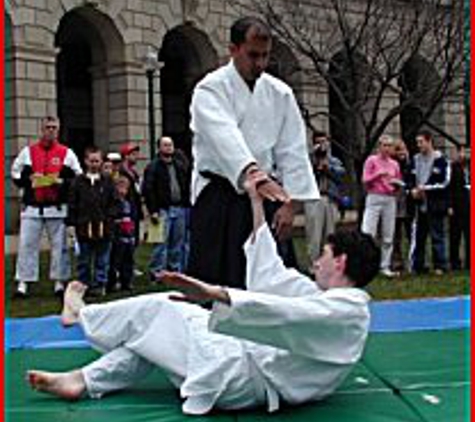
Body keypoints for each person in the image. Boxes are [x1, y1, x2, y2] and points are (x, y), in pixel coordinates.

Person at [27, 170, 380, 415]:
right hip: (240, 365)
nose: (316, 262)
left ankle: (83, 314)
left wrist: (212, 292)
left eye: (324, 255)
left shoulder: (347, 312)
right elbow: (269, 272)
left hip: (239, 379)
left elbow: (282, 311)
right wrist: (256, 203)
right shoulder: (323, 297)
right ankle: (82, 380)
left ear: (341, 262)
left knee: (164, 307)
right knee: (153, 335)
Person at [188, 16, 319, 289]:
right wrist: (251, 172)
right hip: (220, 195)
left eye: (265, 56)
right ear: (233, 49)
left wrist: (290, 203)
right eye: (253, 55)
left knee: (270, 283)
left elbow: (293, 149)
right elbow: (223, 135)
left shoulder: (279, 92)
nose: (260, 64)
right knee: (215, 284)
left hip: (267, 195)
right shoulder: (210, 88)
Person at [11, 116, 82, 297]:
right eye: (47, 127)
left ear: (58, 130)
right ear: (41, 130)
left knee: (59, 246)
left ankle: (59, 281)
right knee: (27, 244)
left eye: (54, 128)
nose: (51, 131)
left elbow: (78, 177)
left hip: (56, 207)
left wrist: (62, 182)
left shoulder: (67, 153)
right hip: (32, 207)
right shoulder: (28, 152)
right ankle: (23, 282)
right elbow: (15, 172)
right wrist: (28, 180)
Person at [66, 147, 120, 297]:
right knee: (84, 259)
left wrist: (109, 217)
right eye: (91, 161)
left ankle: (99, 284)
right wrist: (71, 223)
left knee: (102, 259)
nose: (94, 164)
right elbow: (72, 203)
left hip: (104, 227)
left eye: (97, 161)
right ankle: (83, 285)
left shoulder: (107, 182)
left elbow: (115, 203)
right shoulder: (78, 182)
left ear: (101, 162)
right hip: (84, 226)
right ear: (85, 161)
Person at [142, 136, 191, 276]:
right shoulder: (153, 167)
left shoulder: (180, 165)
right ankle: (156, 272)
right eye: (165, 145)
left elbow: (186, 185)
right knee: (160, 243)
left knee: (177, 243)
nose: (168, 147)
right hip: (162, 210)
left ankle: (174, 270)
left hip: (180, 208)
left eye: (170, 145)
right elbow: (148, 189)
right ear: (159, 148)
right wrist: (153, 210)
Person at [407, 130, 450, 275]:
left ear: (429, 141)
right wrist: (412, 190)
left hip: (435, 203)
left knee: (437, 235)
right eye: (417, 142)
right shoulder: (415, 159)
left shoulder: (441, 159)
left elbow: (444, 182)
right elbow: (409, 178)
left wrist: (425, 189)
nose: (419, 145)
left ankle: (440, 265)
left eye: (421, 142)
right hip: (419, 205)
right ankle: (418, 266)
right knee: (419, 236)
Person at [361, 135, 402, 277]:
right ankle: (365, 265)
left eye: (390, 146)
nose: (387, 148)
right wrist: (378, 174)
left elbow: (398, 180)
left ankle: (384, 266)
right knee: (368, 232)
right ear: (379, 147)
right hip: (374, 196)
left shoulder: (394, 164)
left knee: (388, 234)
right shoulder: (371, 160)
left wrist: (397, 185)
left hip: (390, 198)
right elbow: (365, 180)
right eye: (384, 145)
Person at [304, 131, 346, 262]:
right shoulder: (307, 160)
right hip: (314, 198)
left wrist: (328, 170)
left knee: (330, 234)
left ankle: (328, 263)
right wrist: (315, 162)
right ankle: (314, 264)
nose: (322, 145)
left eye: (324, 142)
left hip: (330, 198)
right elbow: (304, 176)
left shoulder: (334, 161)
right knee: (314, 235)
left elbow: (341, 178)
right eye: (318, 142)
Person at [107, 176, 137, 292]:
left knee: (128, 260)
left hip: (129, 235)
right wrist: (118, 222)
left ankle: (127, 281)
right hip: (117, 235)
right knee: (115, 260)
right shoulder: (113, 203)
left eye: (125, 188)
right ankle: (112, 282)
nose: (123, 191)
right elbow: (111, 216)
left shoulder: (130, 202)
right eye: (120, 187)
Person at [390, 139, 413, 272]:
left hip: (408, 204)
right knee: (395, 236)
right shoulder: (392, 165)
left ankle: (412, 260)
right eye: (398, 149)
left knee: (411, 234)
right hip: (395, 204)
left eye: (403, 149)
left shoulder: (410, 165)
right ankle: (397, 262)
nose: (401, 152)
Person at [448, 145, 470, 270]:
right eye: (463, 152)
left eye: (468, 152)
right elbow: (450, 188)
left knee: (470, 236)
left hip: (469, 206)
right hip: (457, 206)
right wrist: (450, 205)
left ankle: (469, 263)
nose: (466, 155)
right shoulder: (453, 167)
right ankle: (455, 262)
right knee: (455, 235)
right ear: (458, 153)